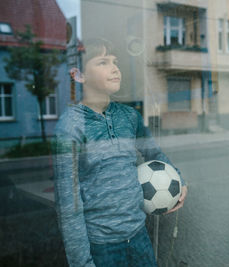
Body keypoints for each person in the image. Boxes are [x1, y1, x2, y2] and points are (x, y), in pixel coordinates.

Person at [53, 38, 187, 267]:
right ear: (79, 75)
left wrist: (179, 180)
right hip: (102, 247)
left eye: (115, 61)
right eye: (103, 62)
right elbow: (69, 206)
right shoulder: (70, 126)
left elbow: (154, 153)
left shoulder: (129, 116)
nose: (115, 68)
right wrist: (82, 263)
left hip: (138, 236)